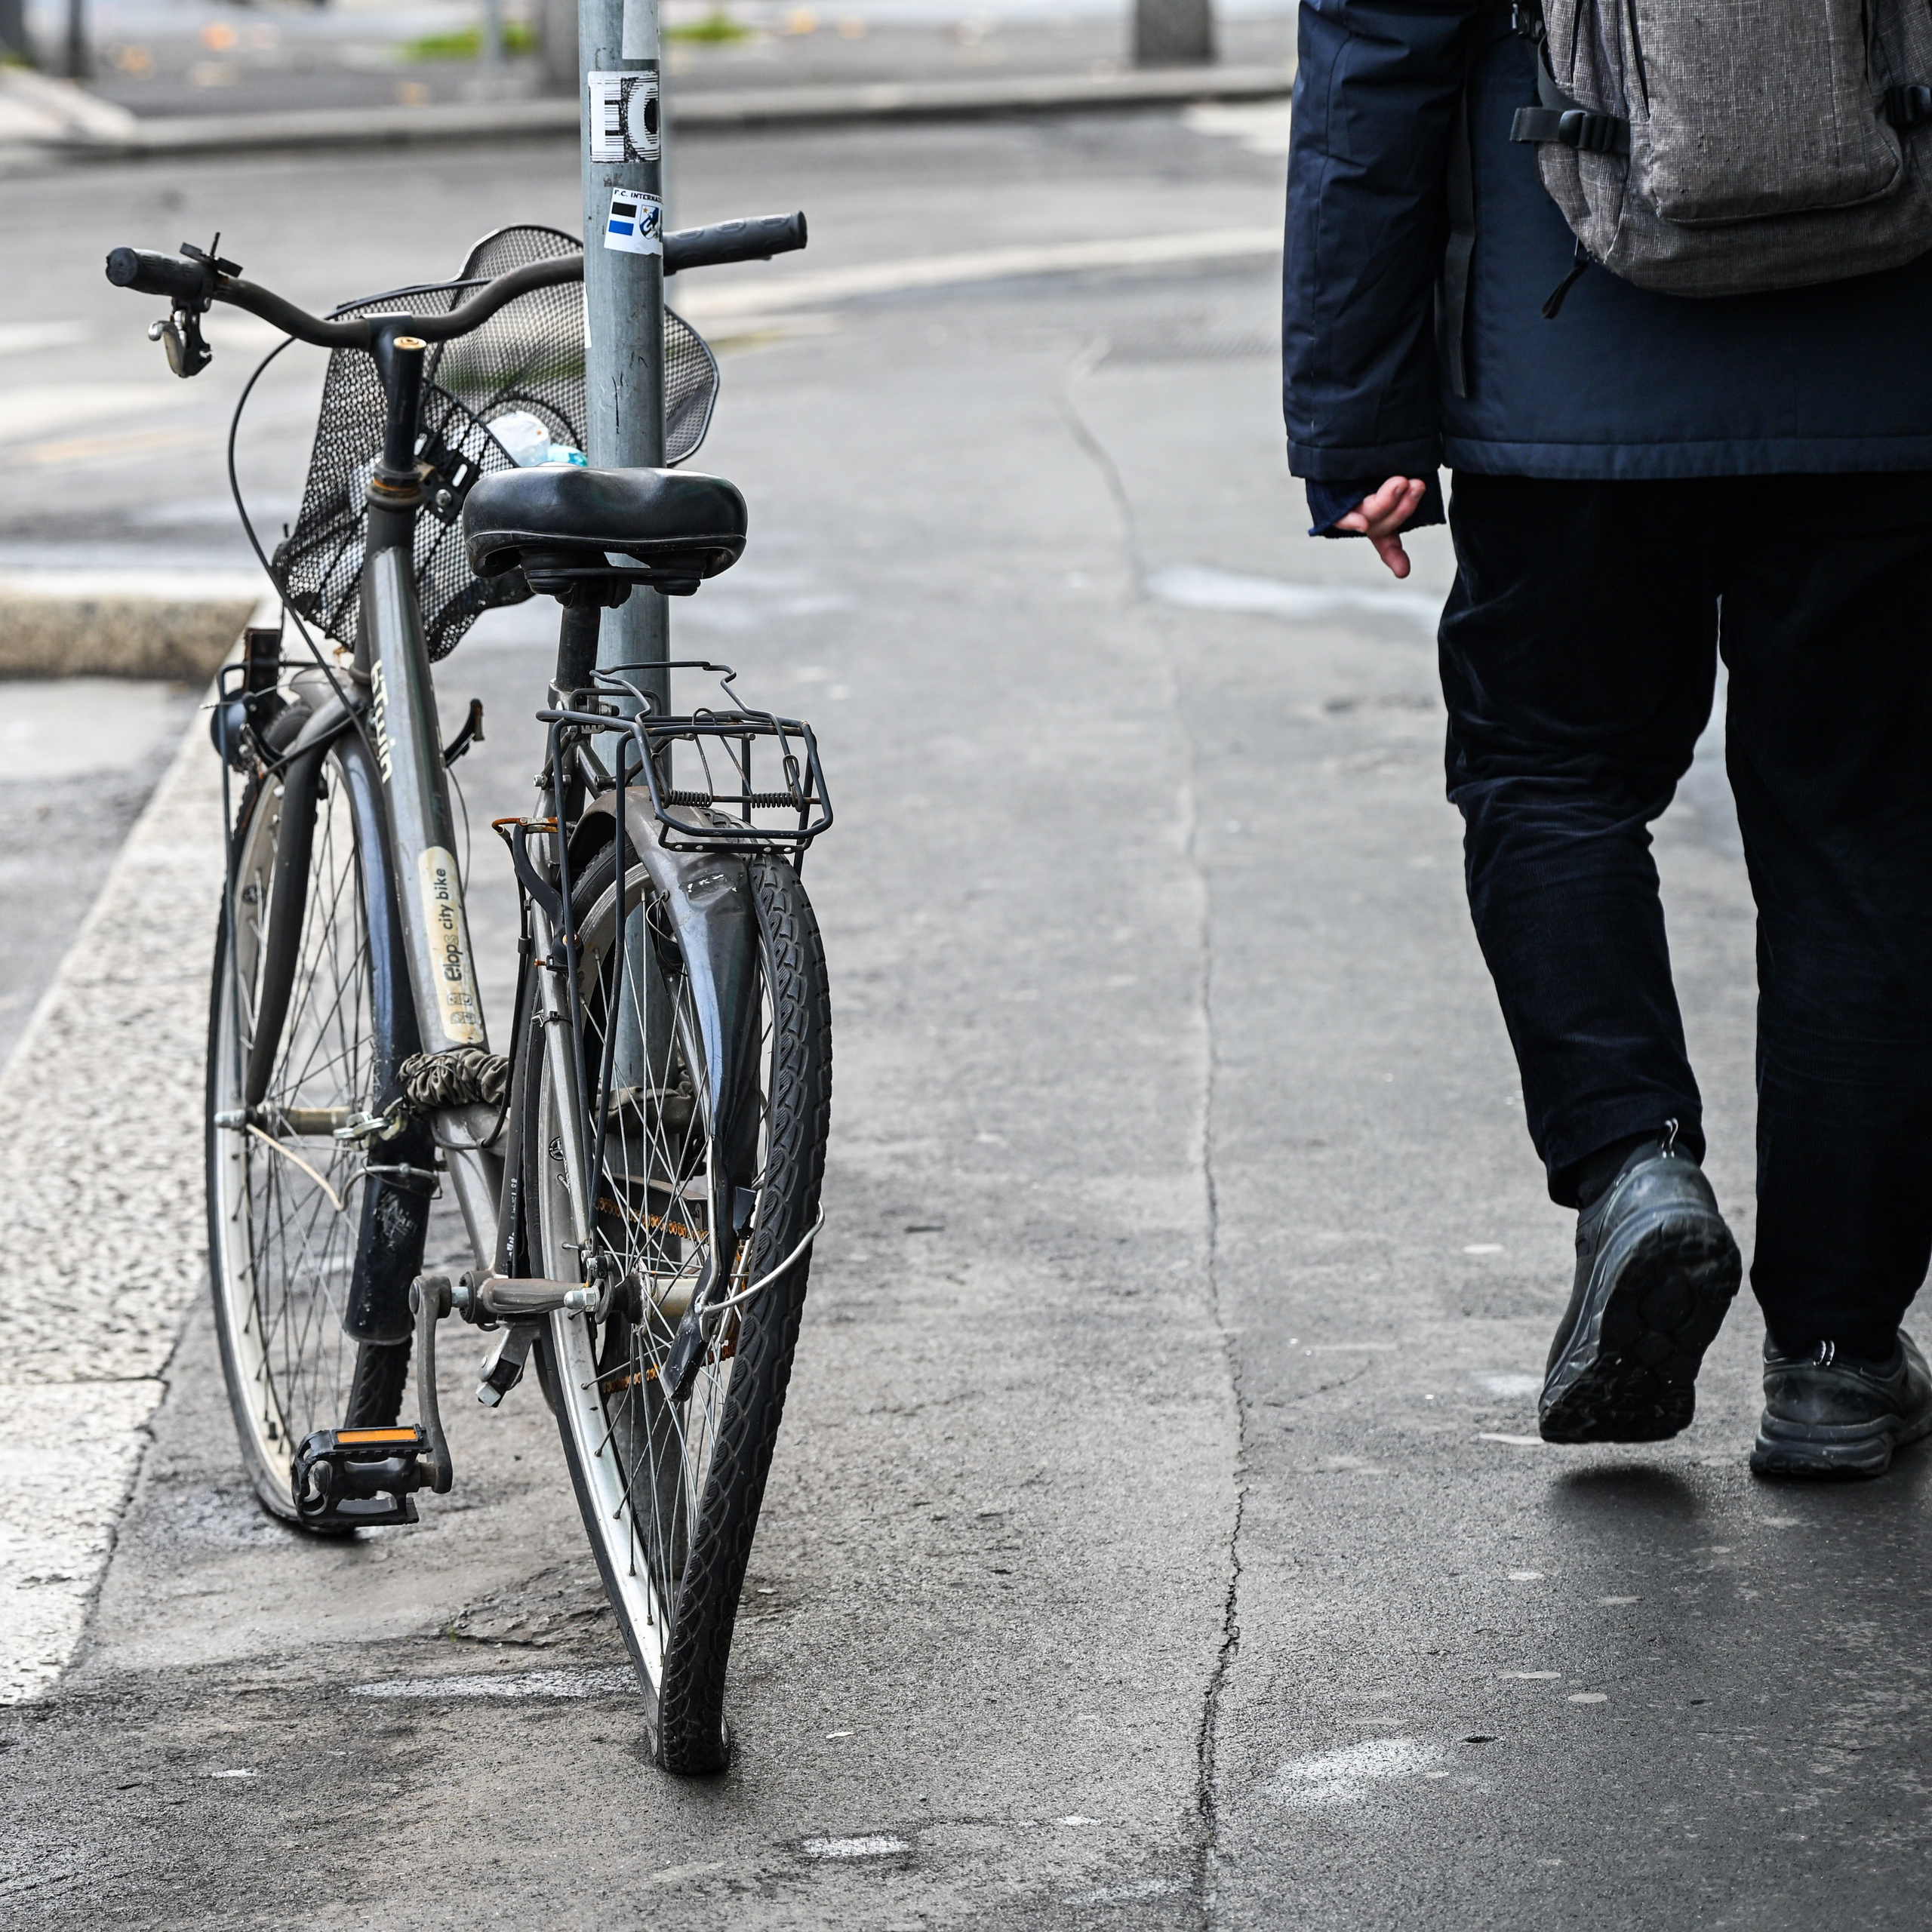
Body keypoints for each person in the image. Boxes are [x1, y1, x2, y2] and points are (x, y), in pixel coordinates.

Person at [1283, 0, 1932, 1475]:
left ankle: (1632, 1168)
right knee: (1865, 832)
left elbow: (1374, 54)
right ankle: (1834, 1356)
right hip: (1887, 363)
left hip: (1566, 349)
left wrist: (1353, 413)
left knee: (1548, 776)